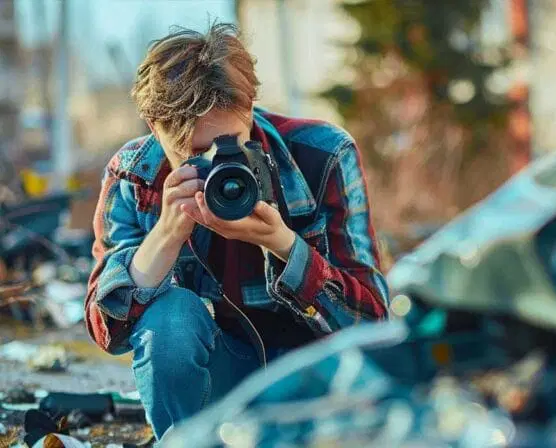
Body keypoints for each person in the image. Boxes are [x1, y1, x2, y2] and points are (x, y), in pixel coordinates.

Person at [84, 23, 389, 440]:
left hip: (308, 382)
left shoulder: (322, 155)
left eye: (232, 144)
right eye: (195, 154)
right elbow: (107, 332)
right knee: (169, 318)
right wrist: (165, 237)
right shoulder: (135, 175)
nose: (219, 165)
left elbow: (376, 326)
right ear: (155, 127)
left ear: (250, 108)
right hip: (216, 381)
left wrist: (283, 245)